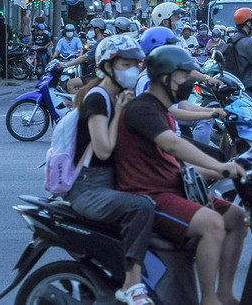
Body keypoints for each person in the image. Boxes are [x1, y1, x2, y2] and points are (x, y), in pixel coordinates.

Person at [114, 45, 247, 305]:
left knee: (236, 217)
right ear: (166, 78)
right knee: (212, 224)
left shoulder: (163, 110)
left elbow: (172, 162)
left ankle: (225, 293)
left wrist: (212, 170)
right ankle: (209, 299)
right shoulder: (142, 109)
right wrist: (219, 167)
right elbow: (173, 146)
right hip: (150, 194)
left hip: (173, 187)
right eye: (184, 77)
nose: (188, 83)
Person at [64, 35, 156, 305]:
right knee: (142, 207)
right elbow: (103, 149)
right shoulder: (98, 98)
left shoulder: (115, 96)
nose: (133, 70)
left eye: (135, 65)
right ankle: (132, 284)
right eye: (125, 64)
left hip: (105, 183)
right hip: (88, 189)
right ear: (107, 66)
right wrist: (119, 112)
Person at [62, 18, 107, 94]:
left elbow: (84, 57)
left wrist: (65, 64)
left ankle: (81, 105)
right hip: (100, 73)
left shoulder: (101, 42)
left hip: (99, 76)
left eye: (91, 29)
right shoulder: (102, 41)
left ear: (97, 30)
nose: (89, 31)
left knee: (70, 84)